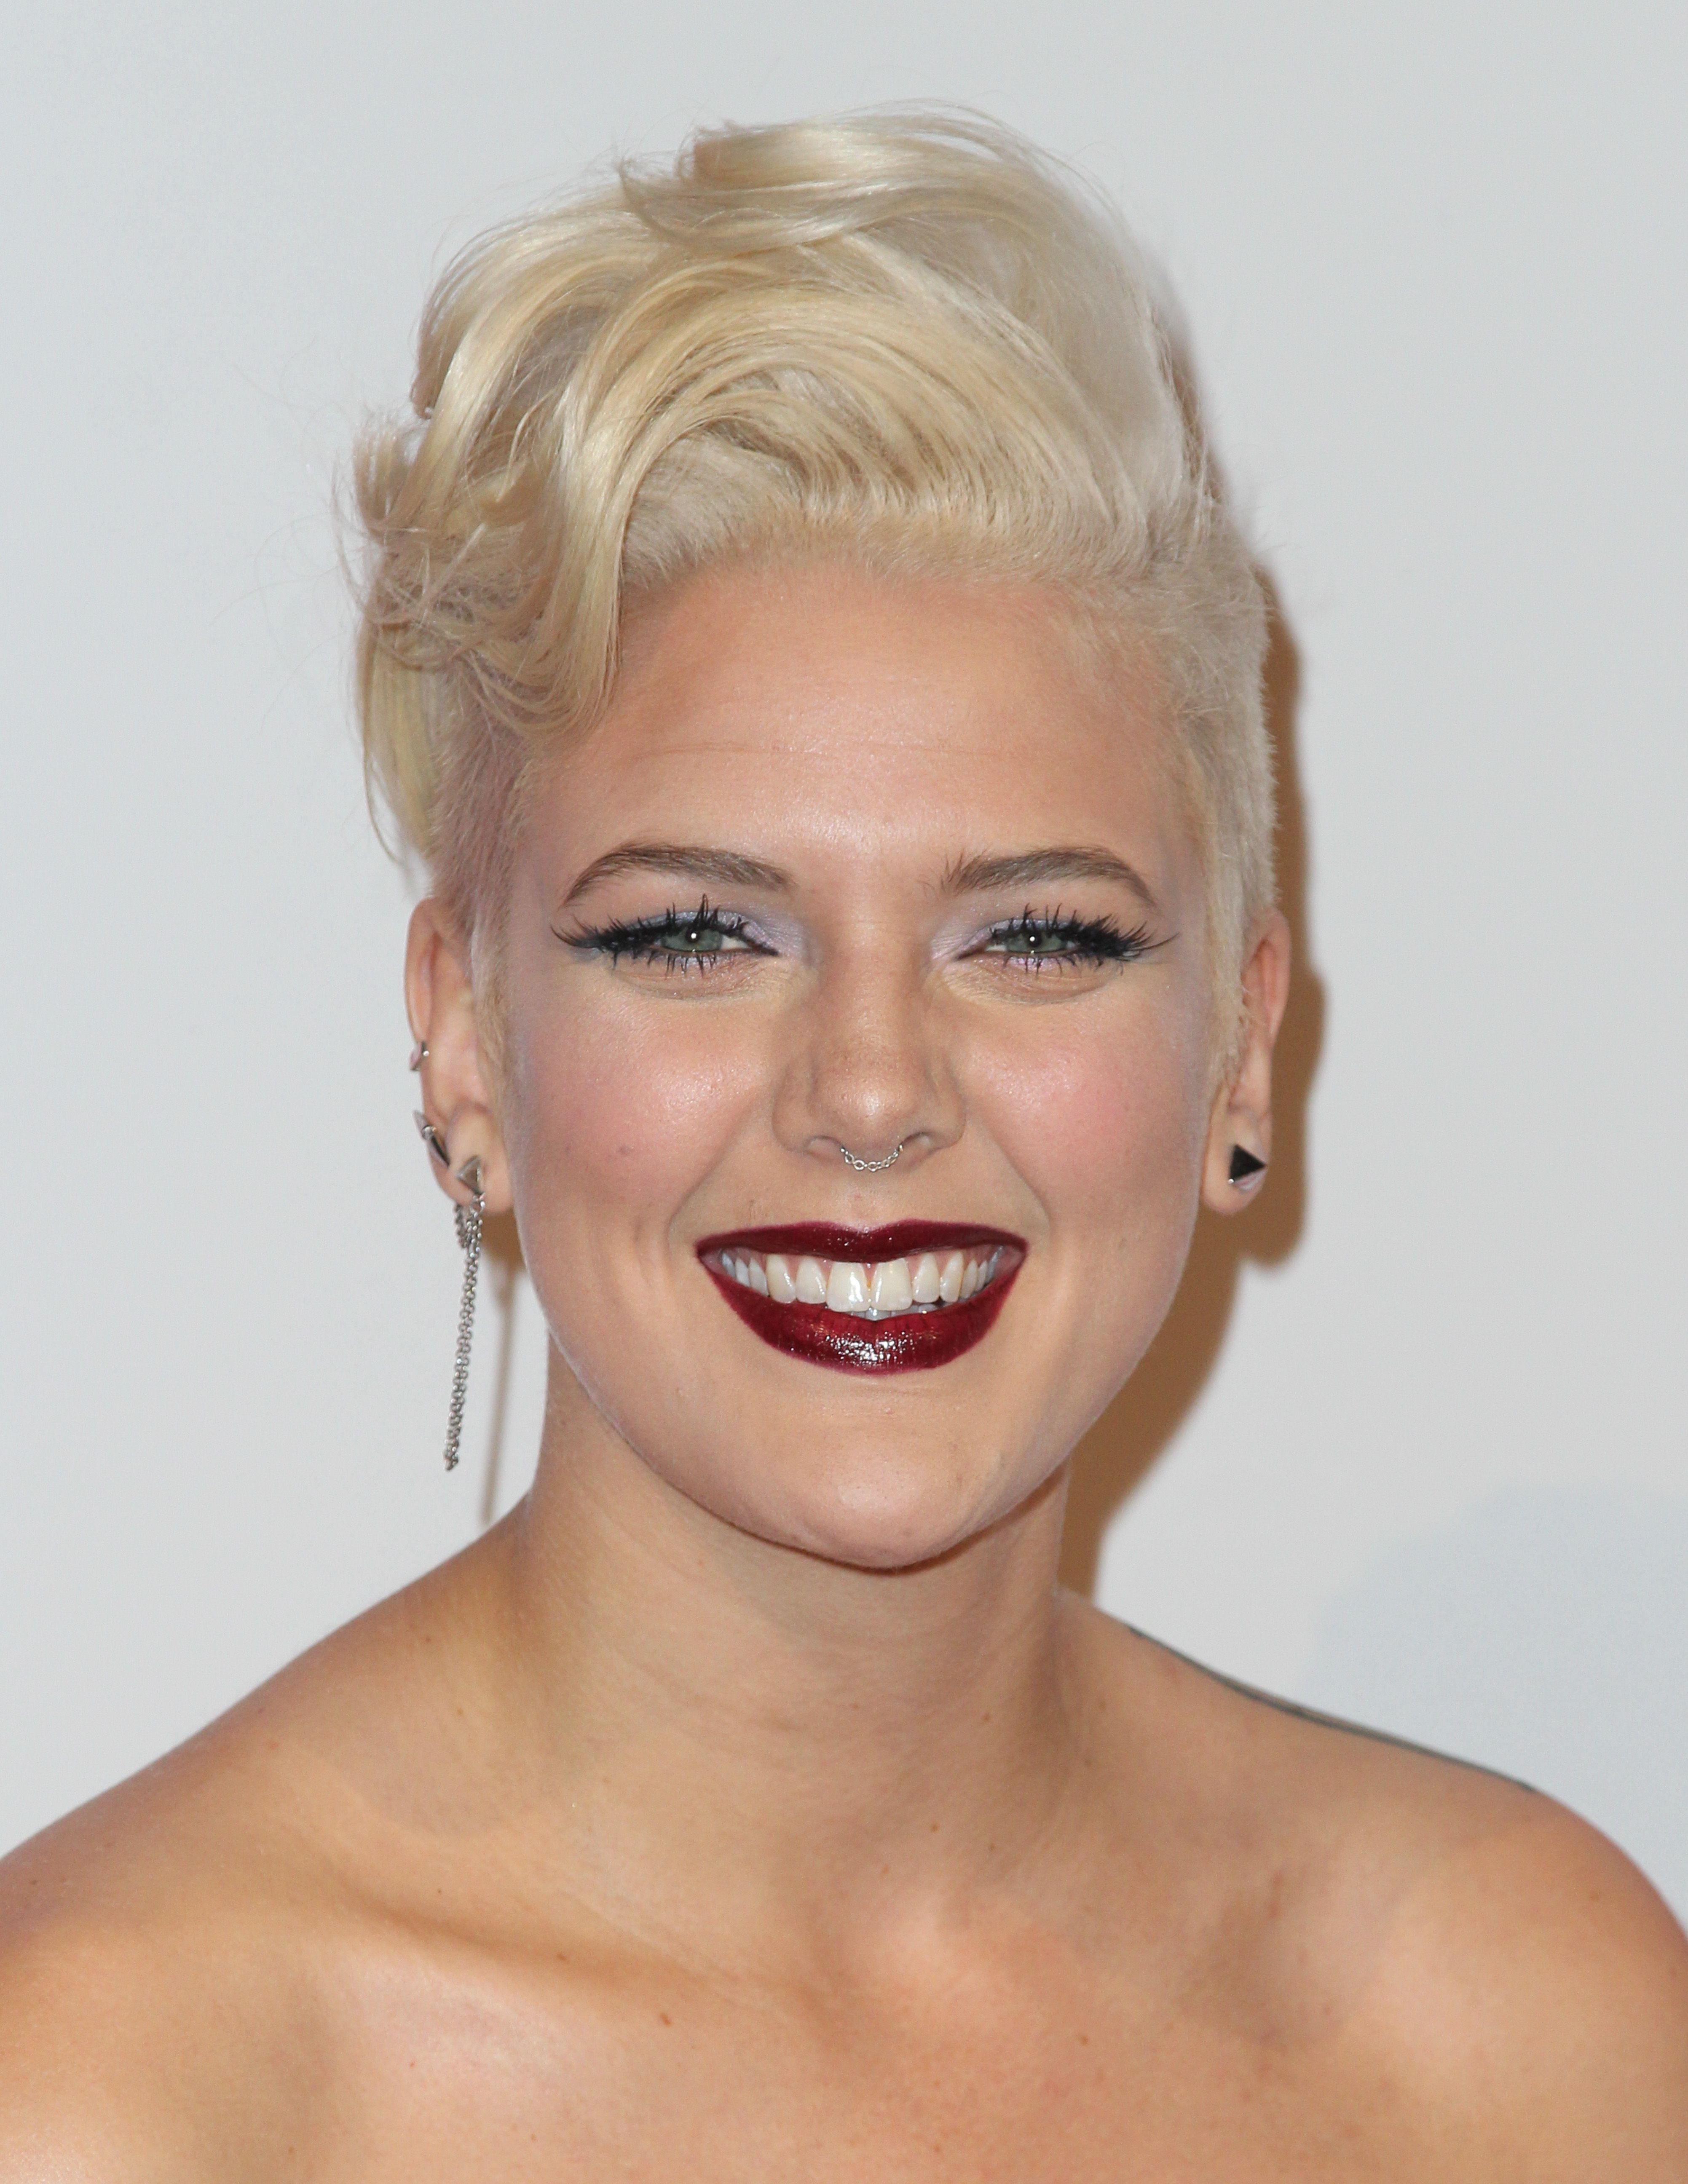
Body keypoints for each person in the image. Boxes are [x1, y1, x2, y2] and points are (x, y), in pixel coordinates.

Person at [2, 110, 1683, 2178]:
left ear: (1243, 1049)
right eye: (696, 936)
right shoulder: (115, 2090)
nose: (873, 1090)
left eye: (1038, 936)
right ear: (465, 1042)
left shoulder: (1526, 2040)